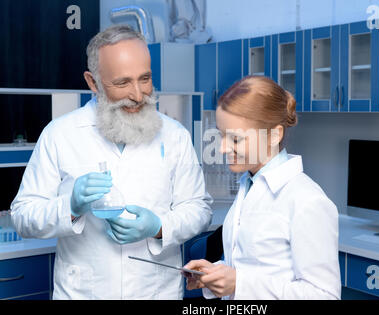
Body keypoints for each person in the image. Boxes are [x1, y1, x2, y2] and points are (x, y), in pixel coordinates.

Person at [10, 25, 212, 299]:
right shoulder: (59, 135)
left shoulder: (174, 134)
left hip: (154, 291)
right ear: (92, 82)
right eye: (122, 83)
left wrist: (160, 226)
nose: (138, 95)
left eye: (145, 79)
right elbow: (23, 216)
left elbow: (199, 208)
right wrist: (69, 207)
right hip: (83, 292)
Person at [184, 76, 341, 299]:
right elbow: (253, 266)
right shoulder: (249, 185)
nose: (222, 148)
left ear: (274, 135)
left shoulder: (308, 201)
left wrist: (239, 284)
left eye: (235, 139)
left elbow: (324, 295)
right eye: (221, 135)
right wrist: (216, 275)